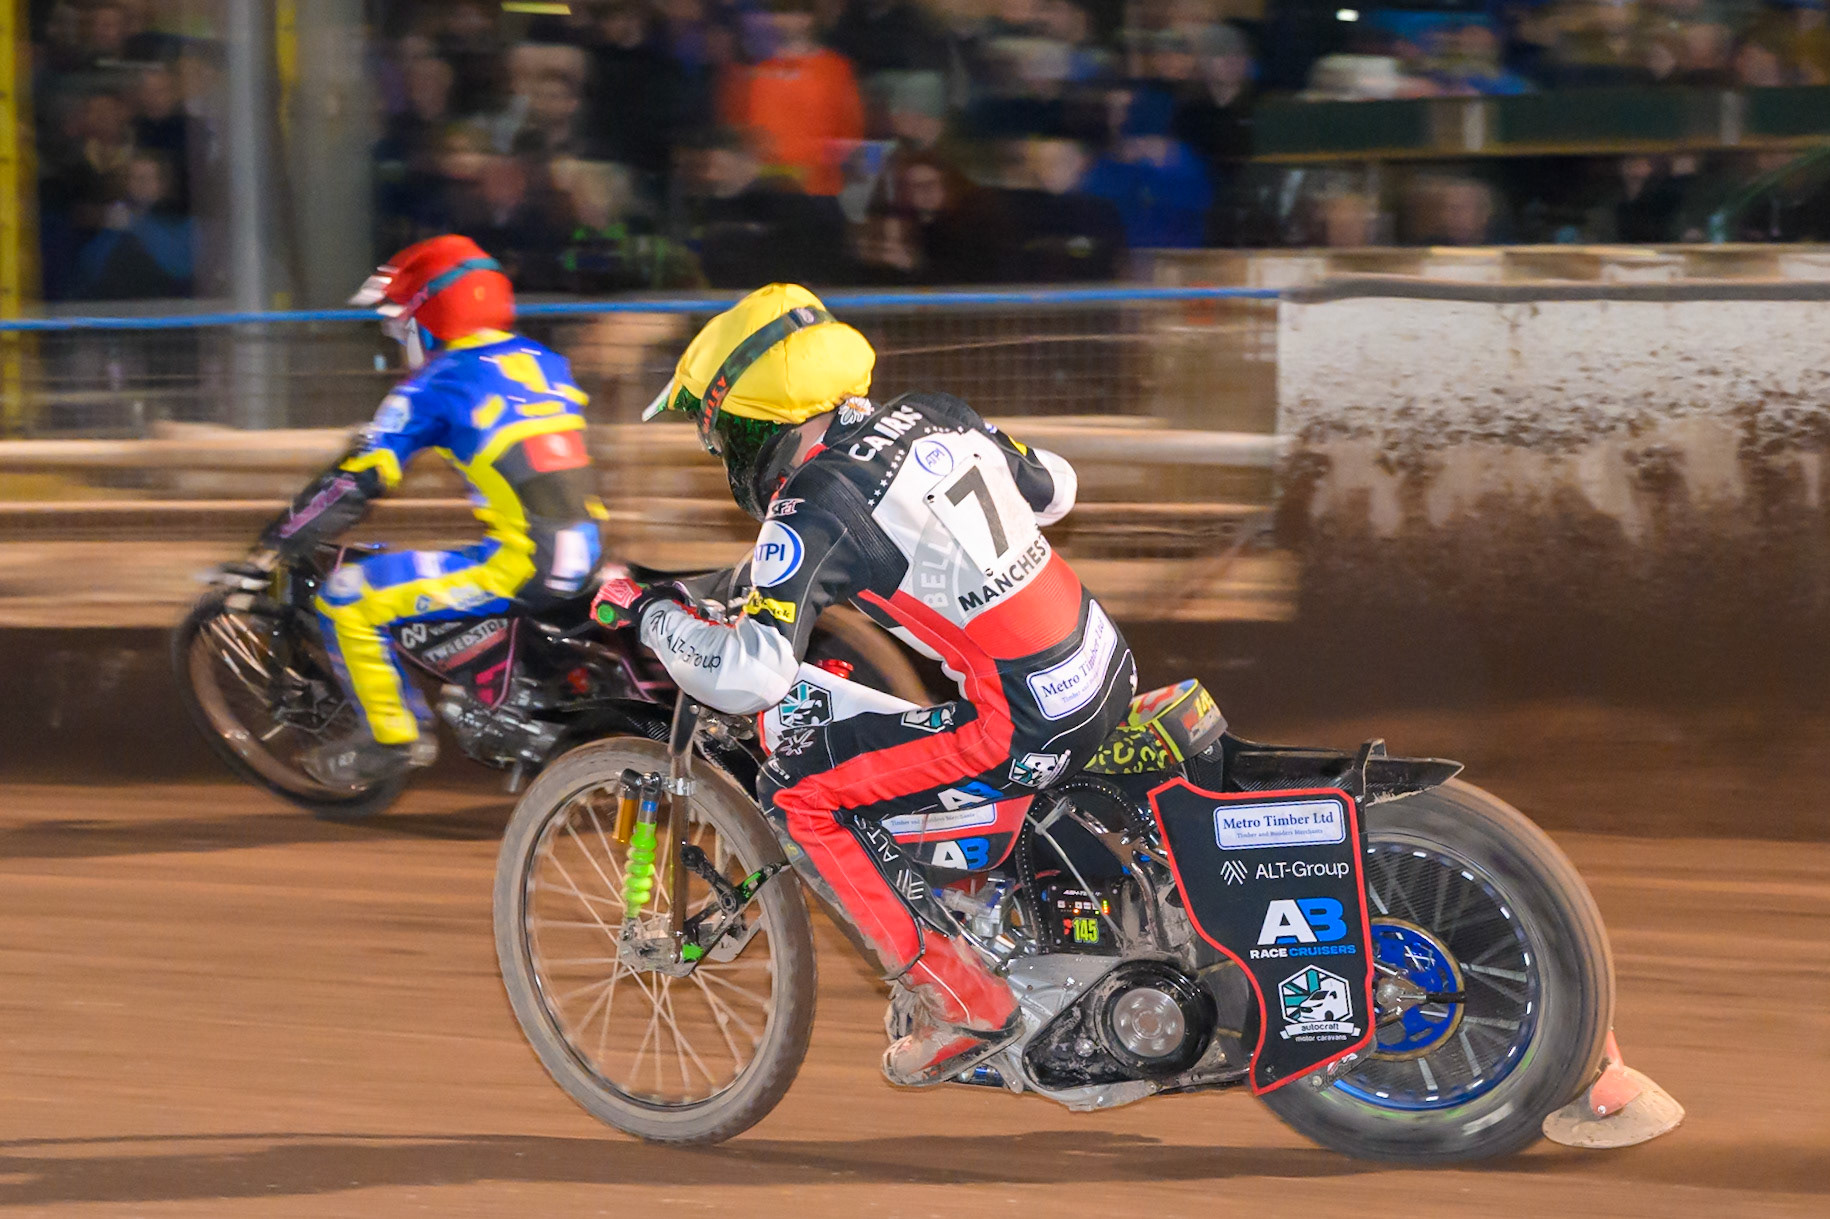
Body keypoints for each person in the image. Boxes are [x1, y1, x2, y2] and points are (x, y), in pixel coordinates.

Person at [600, 283, 1136, 1086]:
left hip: (1026, 721)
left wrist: (649, 615)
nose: (724, 458)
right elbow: (1054, 488)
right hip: (1106, 663)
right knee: (895, 732)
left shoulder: (813, 503)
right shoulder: (934, 410)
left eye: (722, 436)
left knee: (800, 792)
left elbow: (753, 673)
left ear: (757, 420)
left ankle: (962, 999)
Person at [246, 235, 604, 787]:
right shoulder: (545, 361)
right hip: (586, 549)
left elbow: (356, 482)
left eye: (402, 323)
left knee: (347, 597)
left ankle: (392, 739)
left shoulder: (436, 383)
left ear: (430, 313)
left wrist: (279, 539)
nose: (399, 337)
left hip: (521, 565)